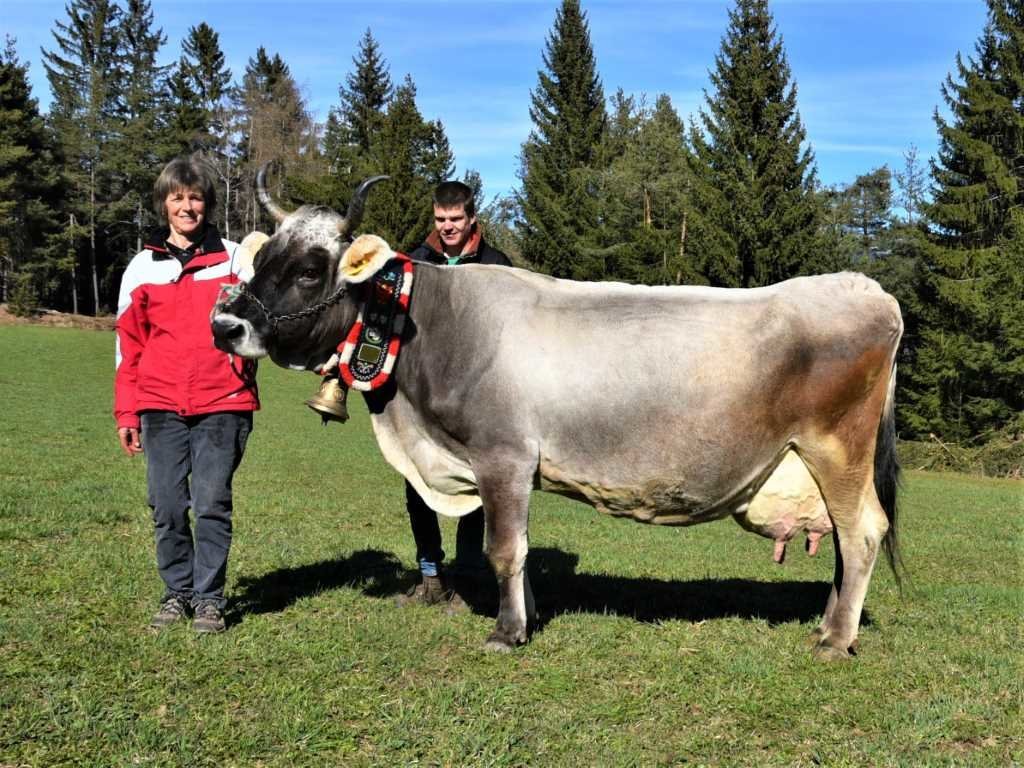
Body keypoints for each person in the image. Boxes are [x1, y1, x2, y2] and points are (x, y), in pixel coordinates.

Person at [114, 155, 259, 634]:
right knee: (167, 504)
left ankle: (209, 600)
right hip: (158, 403)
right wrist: (126, 412)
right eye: (177, 198)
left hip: (224, 402)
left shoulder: (236, 259)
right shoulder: (142, 267)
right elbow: (128, 346)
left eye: (195, 197)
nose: (187, 206)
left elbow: (263, 319)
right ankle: (177, 592)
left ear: (207, 203)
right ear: (164, 204)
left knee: (212, 501)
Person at [398, 180, 512, 607]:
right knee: (417, 480)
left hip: (477, 394)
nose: (448, 226)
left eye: (455, 219)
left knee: (476, 484)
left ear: (471, 219)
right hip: (421, 392)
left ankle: (465, 577)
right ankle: (430, 576)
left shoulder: (496, 265)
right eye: (441, 219)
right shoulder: (414, 261)